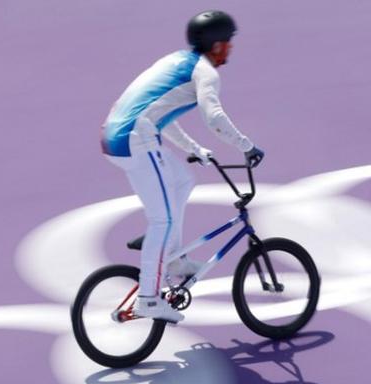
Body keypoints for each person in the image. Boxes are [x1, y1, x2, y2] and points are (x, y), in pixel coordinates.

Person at [101, 10, 264, 323]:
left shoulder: (176, 60)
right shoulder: (206, 73)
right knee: (161, 220)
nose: (231, 47)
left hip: (120, 134)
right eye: (228, 41)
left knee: (182, 180)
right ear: (216, 44)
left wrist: (194, 149)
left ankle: (173, 260)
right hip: (134, 139)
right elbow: (214, 118)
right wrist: (247, 146)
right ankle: (148, 299)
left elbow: (159, 114)